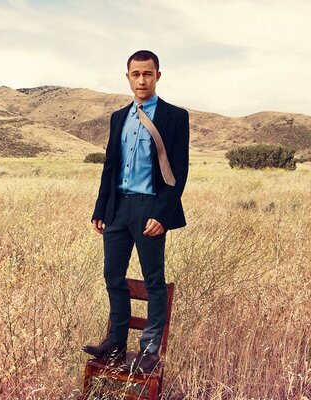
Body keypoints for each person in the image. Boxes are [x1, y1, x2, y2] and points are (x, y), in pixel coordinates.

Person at [82, 50, 189, 373]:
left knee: (153, 280)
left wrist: (163, 215)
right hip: (117, 209)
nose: (141, 79)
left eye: (147, 73)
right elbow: (109, 167)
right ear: (127, 77)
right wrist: (101, 208)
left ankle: (149, 350)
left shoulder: (175, 116)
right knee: (112, 276)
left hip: (150, 208)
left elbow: (179, 171)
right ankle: (115, 341)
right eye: (135, 74)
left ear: (158, 76)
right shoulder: (119, 117)